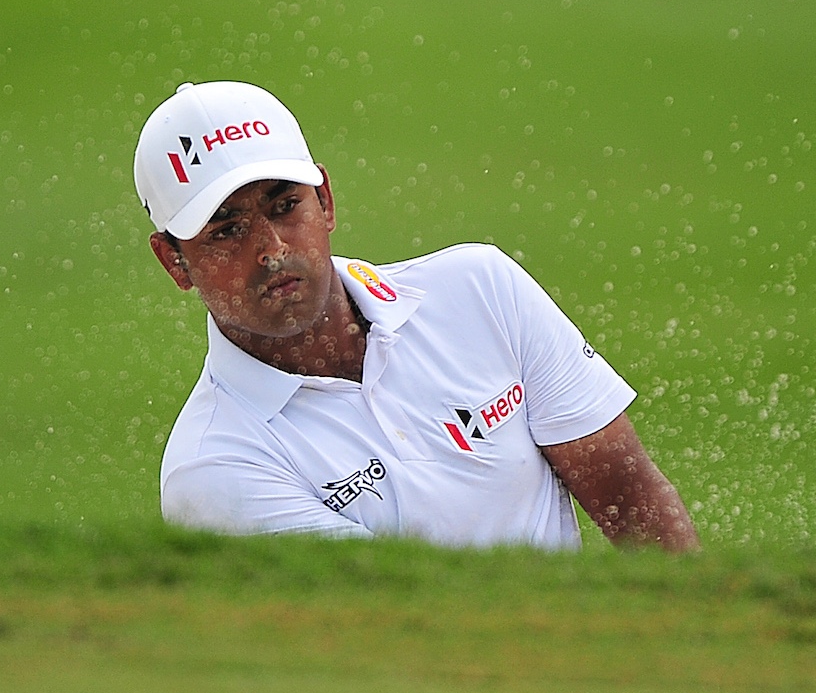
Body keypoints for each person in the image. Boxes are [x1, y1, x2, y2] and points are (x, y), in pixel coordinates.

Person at [132, 80, 699, 551]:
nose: (272, 249)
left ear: (325, 202)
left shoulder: (480, 289)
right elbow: (397, 623)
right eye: (227, 231)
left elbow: (635, 505)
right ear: (174, 262)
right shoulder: (214, 466)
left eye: (285, 206)